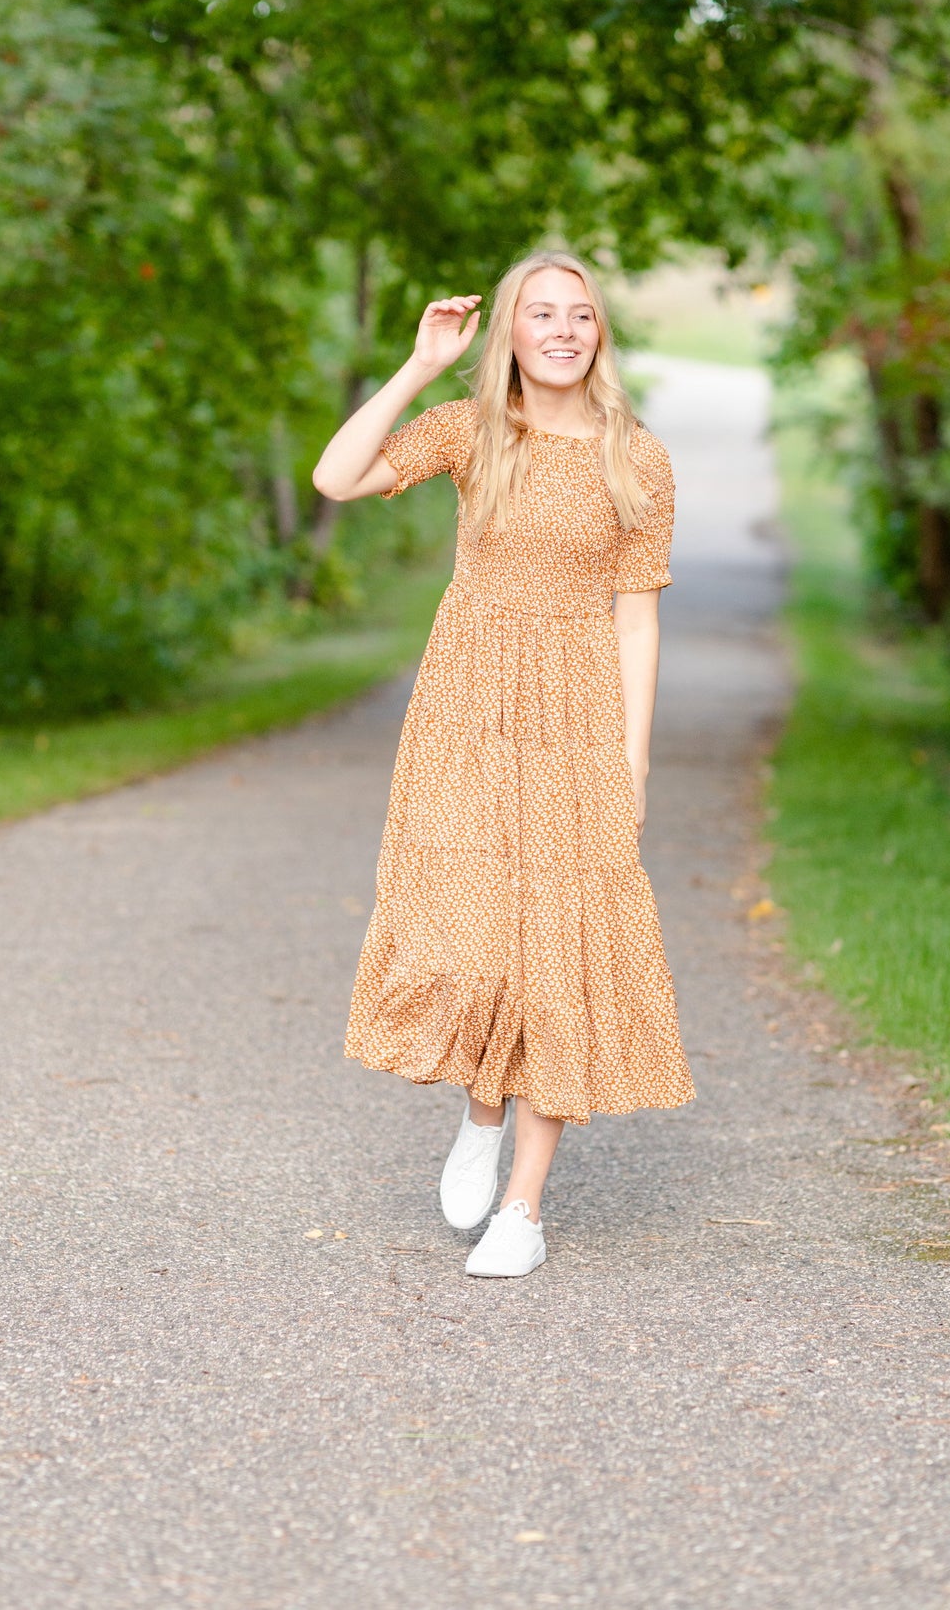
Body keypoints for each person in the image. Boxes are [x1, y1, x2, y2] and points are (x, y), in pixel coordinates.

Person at [312, 250, 694, 1278]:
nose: (562, 329)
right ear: (511, 334)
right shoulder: (475, 432)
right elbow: (335, 476)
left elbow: (638, 625)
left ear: (598, 333)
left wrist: (633, 763)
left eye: (579, 313)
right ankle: (481, 1111)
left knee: (561, 955)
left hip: (577, 725)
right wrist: (417, 365)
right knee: (472, 944)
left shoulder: (636, 459)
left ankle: (522, 1208)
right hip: (467, 713)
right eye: (540, 313)